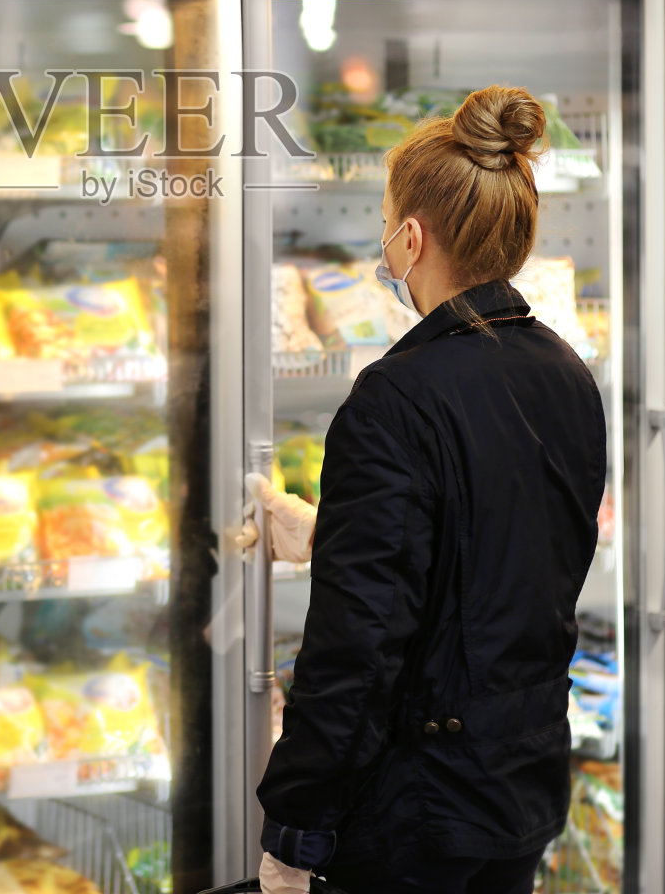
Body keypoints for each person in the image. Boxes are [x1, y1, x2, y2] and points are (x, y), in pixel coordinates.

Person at [243, 86, 607, 894]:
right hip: (523, 786)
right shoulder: (566, 373)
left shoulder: (395, 396)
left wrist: (294, 826)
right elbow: (500, 550)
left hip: (417, 812)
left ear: (411, 237)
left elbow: (359, 646)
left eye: (383, 222)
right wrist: (333, 533)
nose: (384, 240)